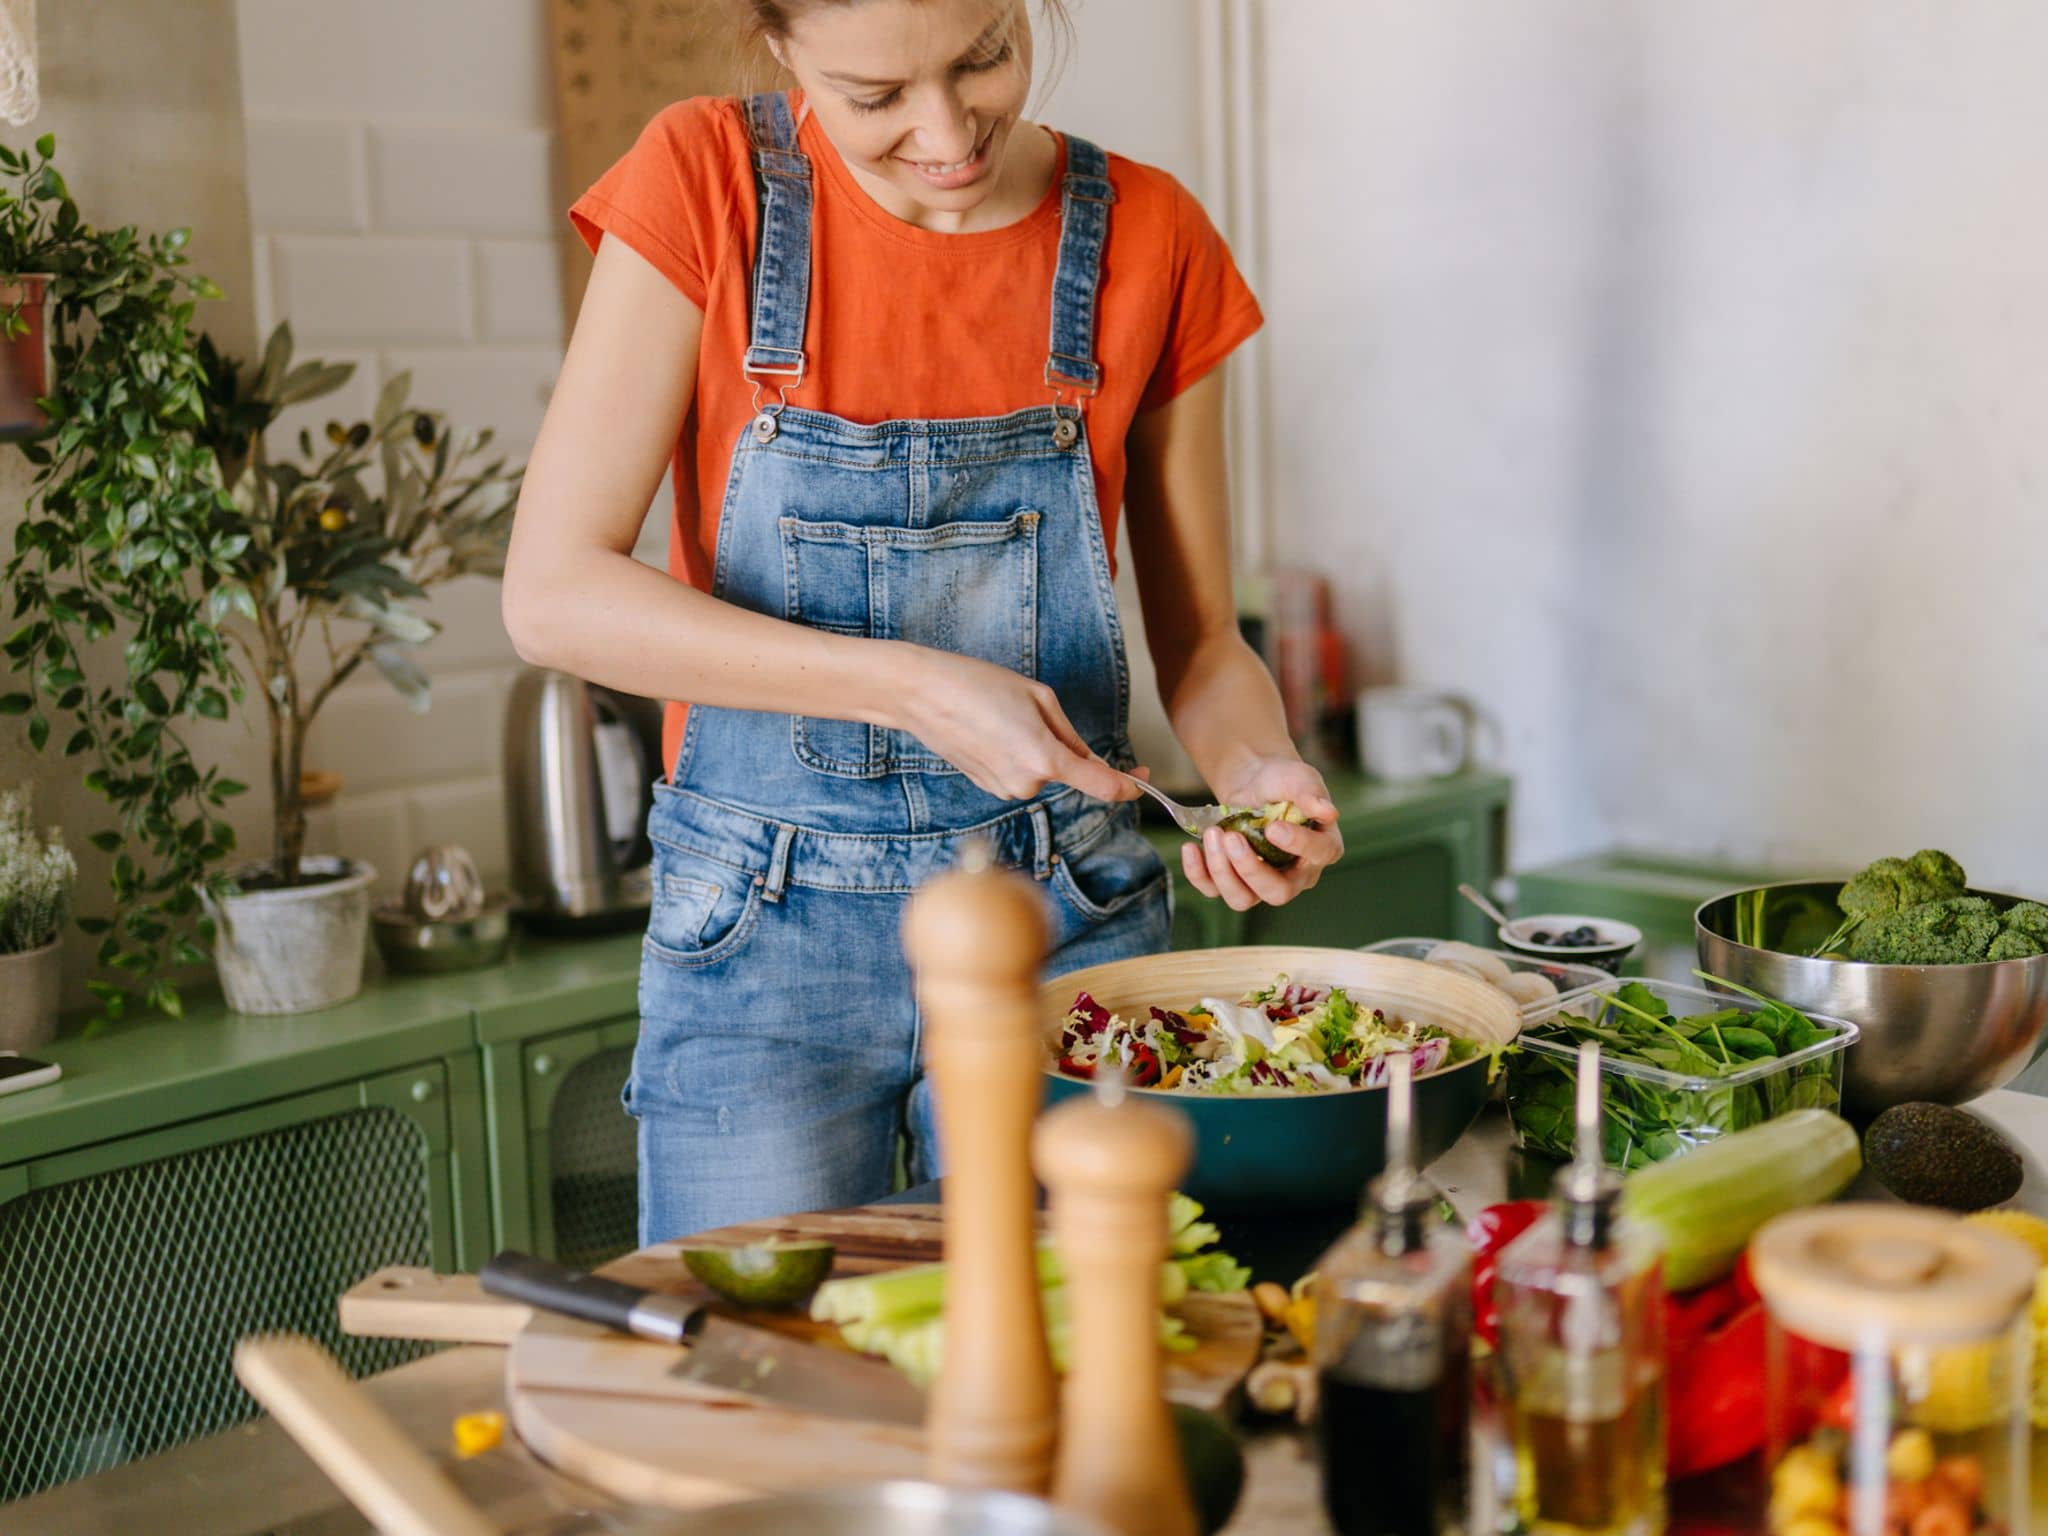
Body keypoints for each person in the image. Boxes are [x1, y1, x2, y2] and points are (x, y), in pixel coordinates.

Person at [503, 0, 1345, 1243]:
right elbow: (552, 595)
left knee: (1072, 1369)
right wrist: (910, 687)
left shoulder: (1148, 233)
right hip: (758, 936)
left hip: (1064, 921)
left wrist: (1255, 765)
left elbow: (1203, 644)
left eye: (982, 58)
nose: (947, 135)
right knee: (766, 1392)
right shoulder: (704, 181)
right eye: (873, 94)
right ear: (780, 47)